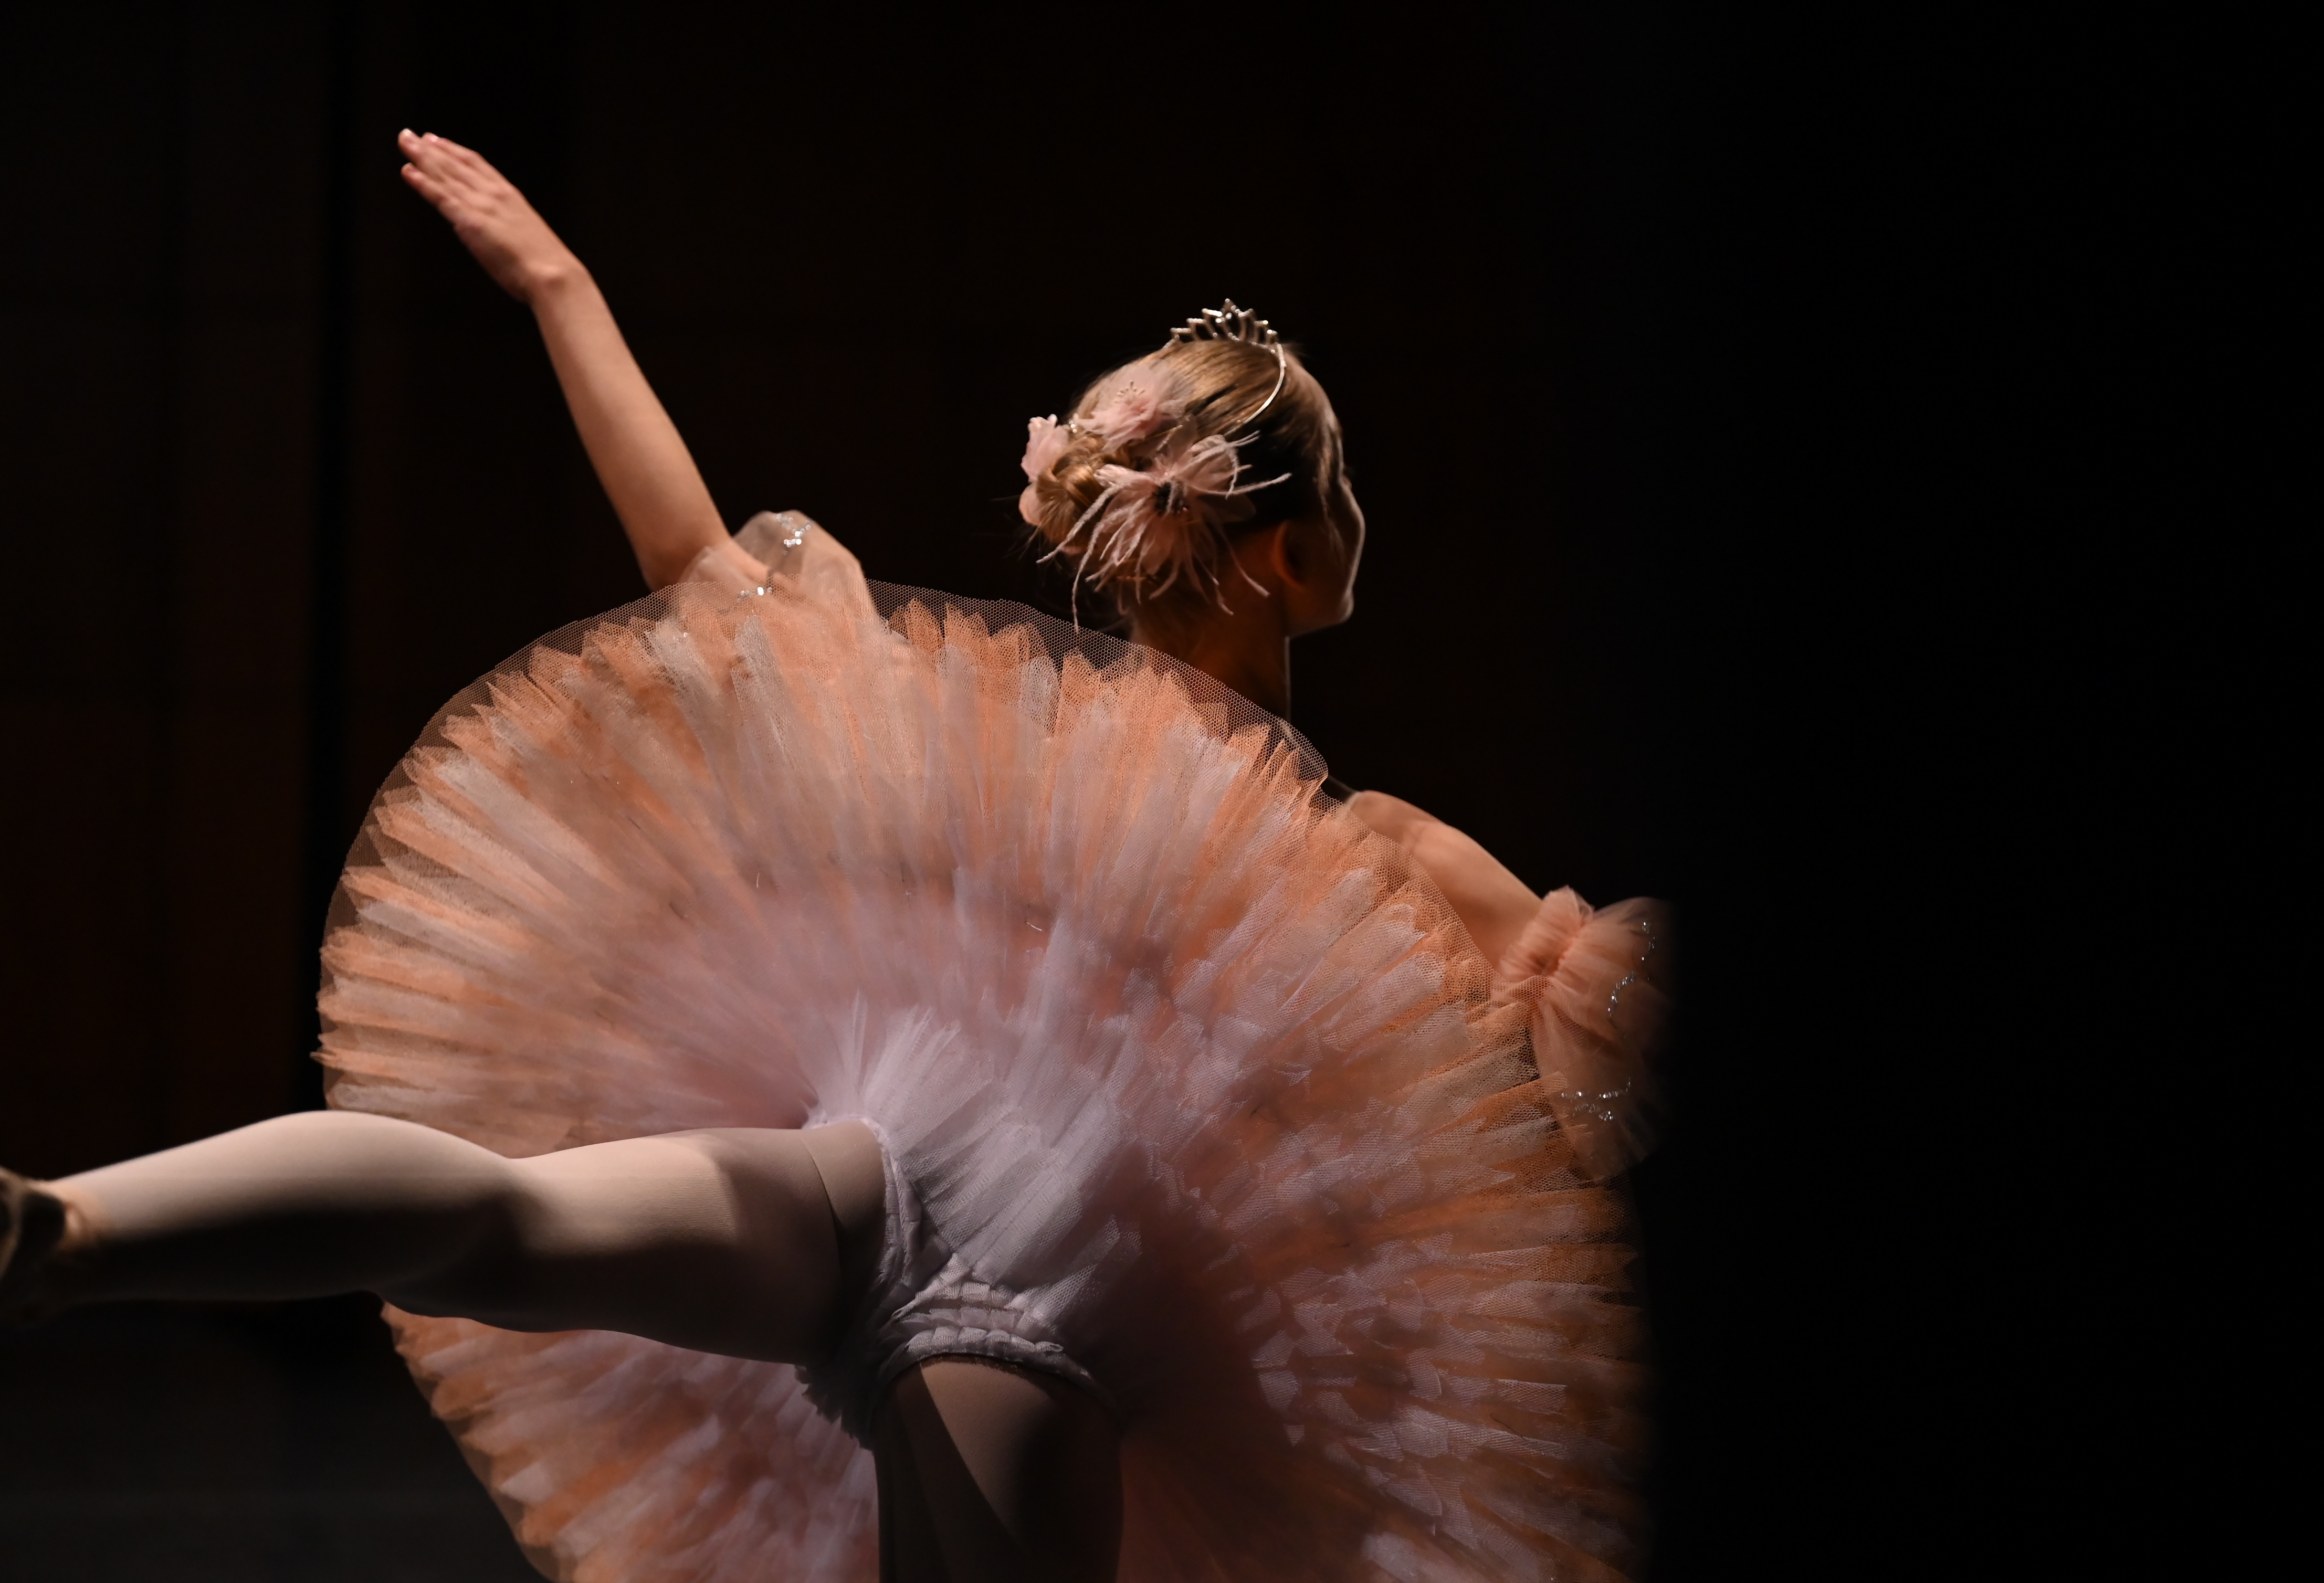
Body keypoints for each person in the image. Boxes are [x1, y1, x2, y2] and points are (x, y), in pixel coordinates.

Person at [0, 132, 1668, 1582]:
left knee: (502, 1223)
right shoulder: (1360, 845)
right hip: (1064, 1315)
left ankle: (65, 1228)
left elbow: (698, 563)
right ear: (1301, 552)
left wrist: (564, 288)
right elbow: (1593, 1067)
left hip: (864, 1177)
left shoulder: (1013, 730)